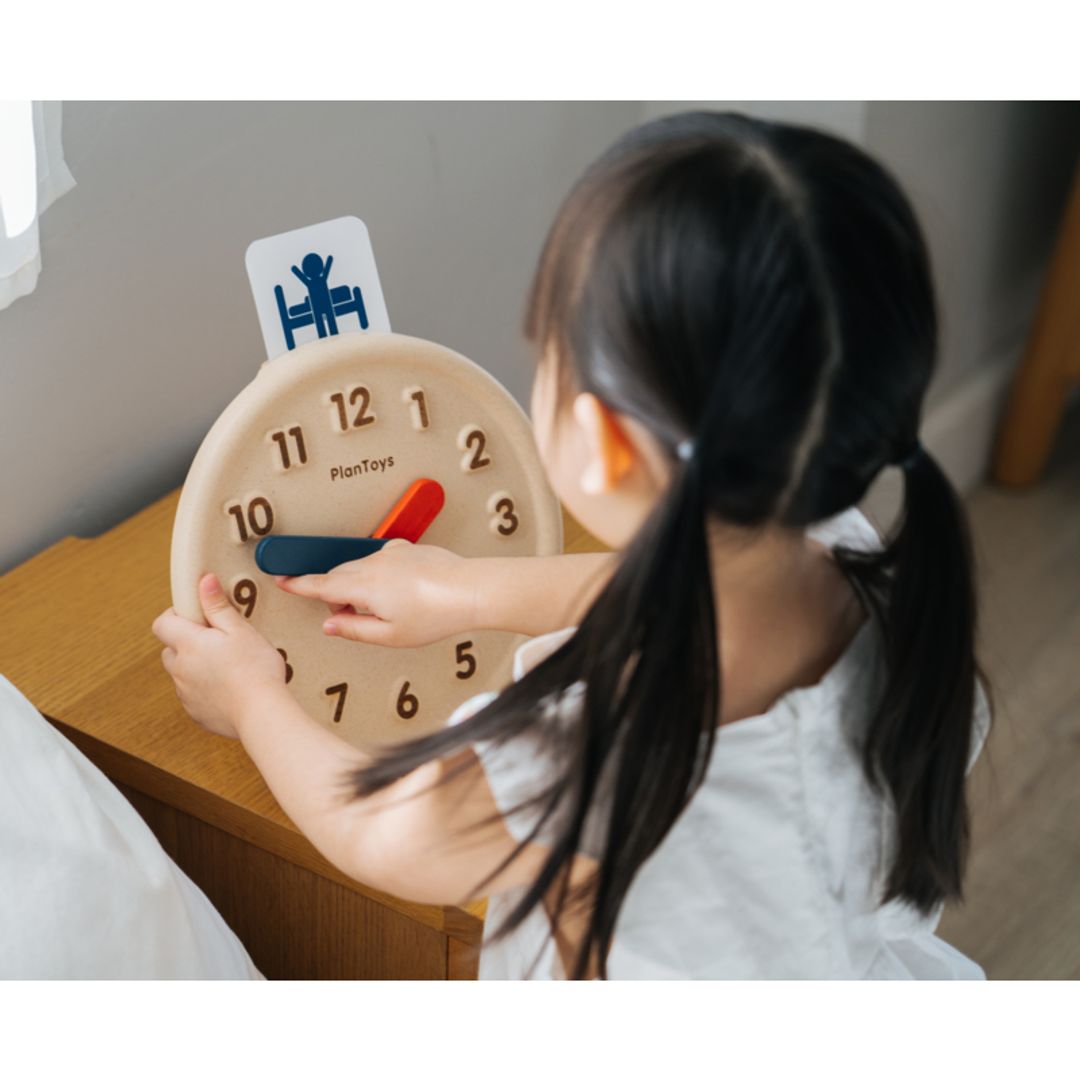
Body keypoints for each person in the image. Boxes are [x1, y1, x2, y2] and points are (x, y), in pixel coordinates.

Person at [153, 111, 991, 979]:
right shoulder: (859, 568)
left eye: (546, 355)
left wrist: (253, 697)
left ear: (602, 437)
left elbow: (381, 832)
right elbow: (672, 599)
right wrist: (472, 592)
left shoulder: (590, 752)